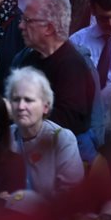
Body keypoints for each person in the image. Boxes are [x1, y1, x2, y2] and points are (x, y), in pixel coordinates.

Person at [13, 0, 97, 136]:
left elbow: (70, 122)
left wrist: (19, 110)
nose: (20, 26)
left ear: (49, 28)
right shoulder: (28, 59)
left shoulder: (72, 65)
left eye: (27, 20)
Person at [6, 67, 84, 198]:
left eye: (28, 100)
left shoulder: (62, 138)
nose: (20, 107)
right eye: (15, 99)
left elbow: (70, 196)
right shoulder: (5, 136)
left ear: (45, 107)